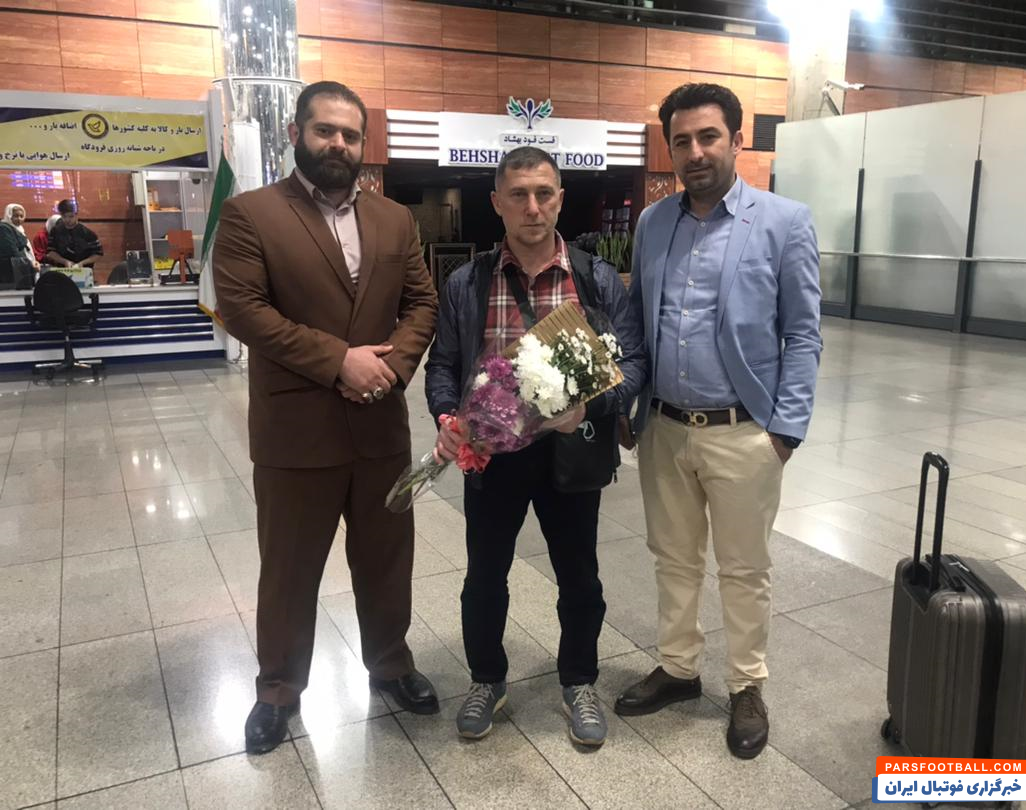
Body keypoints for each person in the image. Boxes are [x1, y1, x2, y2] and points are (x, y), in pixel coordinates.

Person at [213, 80, 440, 755]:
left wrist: (391, 367)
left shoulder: (395, 219)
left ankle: (391, 664)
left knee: (387, 559)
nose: (337, 144)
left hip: (380, 427)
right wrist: (339, 360)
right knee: (289, 569)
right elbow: (244, 309)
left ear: (363, 143)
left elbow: (422, 303)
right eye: (324, 130)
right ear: (296, 134)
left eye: (350, 134)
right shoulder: (251, 214)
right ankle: (278, 690)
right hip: (295, 433)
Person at [614, 83, 822, 760]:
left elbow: (803, 334)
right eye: (681, 141)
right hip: (664, 427)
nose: (695, 152)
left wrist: (784, 432)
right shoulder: (653, 223)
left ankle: (746, 684)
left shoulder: (784, 222)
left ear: (737, 140)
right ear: (669, 148)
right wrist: (625, 402)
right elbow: (636, 325)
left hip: (744, 432)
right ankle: (679, 669)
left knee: (743, 567)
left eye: (708, 137)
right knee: (672, 558)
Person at [425, 146, 646, 747]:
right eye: (518, 195)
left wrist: (589, 408)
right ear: (496, 203)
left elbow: (632, 362)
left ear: (560, 200)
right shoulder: (467, 282)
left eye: (544, 193)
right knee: (484, 577)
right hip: (491, 458)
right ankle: (486, 679)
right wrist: (447, 416)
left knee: (580, 578)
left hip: (571, 454)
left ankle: (579, 680)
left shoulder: (596, 278)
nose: (532, 207)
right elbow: (443, 363)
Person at [47, 200, 103, 269]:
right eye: (64, 216)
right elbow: (51, 252)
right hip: (62, 269)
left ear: (76, 215)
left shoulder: (87, 233)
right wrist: (65, 261)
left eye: (71, 216)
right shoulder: (55, 231)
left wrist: (82, 263)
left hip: (84, 270)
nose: (67, 220)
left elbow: (98, 253)